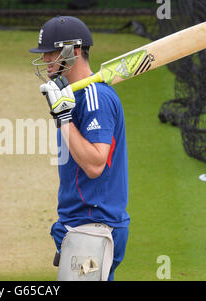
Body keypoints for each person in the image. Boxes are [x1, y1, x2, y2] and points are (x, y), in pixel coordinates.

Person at [29, 16, 130, 281]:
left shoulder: (96, 97)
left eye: (50, 54)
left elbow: (96, 164)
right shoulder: (73, 96)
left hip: (94, 227)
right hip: (80, 225)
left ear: (72, 51)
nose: (46, 61)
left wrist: (64, 118)